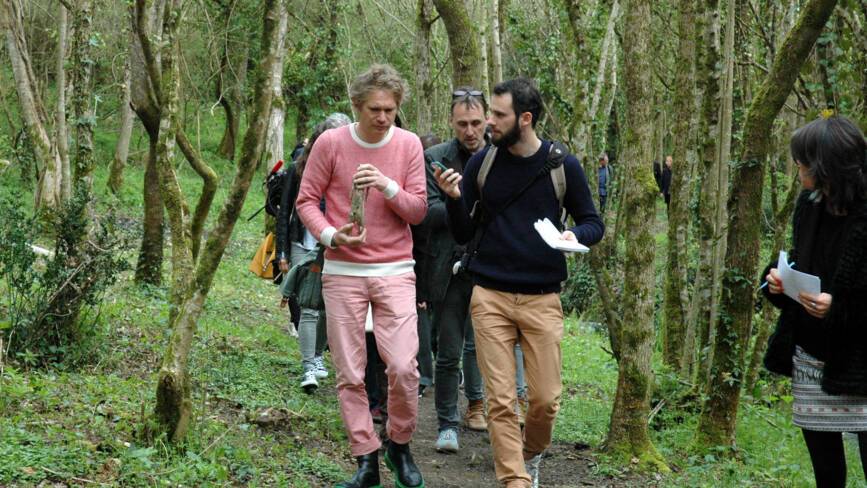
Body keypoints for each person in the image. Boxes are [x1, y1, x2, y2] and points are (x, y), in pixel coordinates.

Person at [435, 77, 604, 488]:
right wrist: (454, 199)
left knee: (544, 401)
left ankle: (530, 452)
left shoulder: (563, 165)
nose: (489, 122)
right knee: (501, 400)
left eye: (498, 115)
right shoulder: (483, 163)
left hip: (542, 297)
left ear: (525, 119)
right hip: (489, 293)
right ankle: (515, 479)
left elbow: (592, 223)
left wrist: (573, 236)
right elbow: (463, 232)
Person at [296, 64, 426, 488]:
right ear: (356, 105)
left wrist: (389, 187)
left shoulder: (408, 145)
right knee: (350, 373)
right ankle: (365, 458)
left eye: (390, 109)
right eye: (375, 109)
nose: (383, 117)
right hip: (343, 271)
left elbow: (419, 211)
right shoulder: (331, 143)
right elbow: (306, 201)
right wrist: (331, 235)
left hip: (395, 269)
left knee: (404, 366)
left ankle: (399, 446)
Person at [762, 115, 867, 488]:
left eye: (803, 159)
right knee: (827, 474)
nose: (797, 166)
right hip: (810, 356)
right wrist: (776, 281)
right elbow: (802, 264)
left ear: (826, 165)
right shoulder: (809, 204)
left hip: (858, 364)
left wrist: (837, 307)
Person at [422, 87, 490, 453]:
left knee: (485, 348)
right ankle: (447, 423)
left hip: (491, 268)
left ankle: (483, 408)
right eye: (462, 123)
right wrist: (459, 202)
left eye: (476, 122)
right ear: (451, 122)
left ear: (487, 121)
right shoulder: (435, 157)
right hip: (448, 268)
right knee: (447, 351)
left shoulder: (500, 156)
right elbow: (426, 212)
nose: (470, 130)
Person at [277, 113, 352, 394]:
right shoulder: (299, 167)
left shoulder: (352, 167)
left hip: (334, 245)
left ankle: (318, 354)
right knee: (309, 305)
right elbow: (286, 212)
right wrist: (282, 250)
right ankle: (309, 364)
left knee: (328, 307)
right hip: (304, 244)